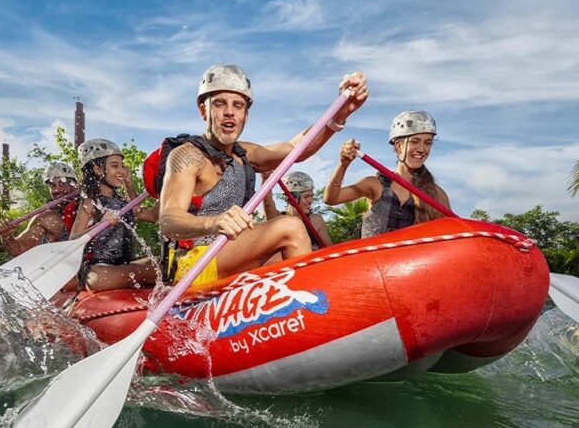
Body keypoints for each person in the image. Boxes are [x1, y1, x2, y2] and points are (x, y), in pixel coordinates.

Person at [158, 64, 368, 284]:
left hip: (228, 254)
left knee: (292, 257)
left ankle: (297, 308)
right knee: (290, 226)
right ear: (203, 110)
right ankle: (312, 306)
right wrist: (215, 223)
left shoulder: (246, 153)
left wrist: (342, 111)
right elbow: (169, 220)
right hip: (191, 265)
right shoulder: (188, 155)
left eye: (238, 105)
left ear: (245, 115)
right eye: (219, 104)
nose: (229, 112)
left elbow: (296, 149)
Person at [323, 110, 450, 238]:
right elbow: (331, 198)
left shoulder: (437, 194)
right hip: (371, 257)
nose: (422, 149)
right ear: (398, 146)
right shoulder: (375, 184)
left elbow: (453, 230)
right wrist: (343, 164)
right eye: (415, 141)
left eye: (428, 143)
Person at [69, 138, 160, 292]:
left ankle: (158, 273)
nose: (122, 170)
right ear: (98, 169)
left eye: (122, 166)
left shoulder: (123, 202)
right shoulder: (91, 202)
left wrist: (165, 188)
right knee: (96, 278)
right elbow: (72, 241)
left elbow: (150, 216)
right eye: (114, 166)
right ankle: (159, 275)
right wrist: (99, 225)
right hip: (103, 270)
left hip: (124, 267)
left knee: (161, 261)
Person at [0, 162, 79, 257]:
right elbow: (18, 249)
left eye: (62, 184)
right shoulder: (45, 217)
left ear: (73, 185)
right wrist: (6, 237)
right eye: (52, 186)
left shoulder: (88, 204)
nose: (57, 190)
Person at [261, 171, 333, 249]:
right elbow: (268, 205)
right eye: (306, 197)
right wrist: (266, 179)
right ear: (291, 199)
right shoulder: (279, 219)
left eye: (311, 196)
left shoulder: (316, 220)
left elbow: (329, 248)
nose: (310, 200)